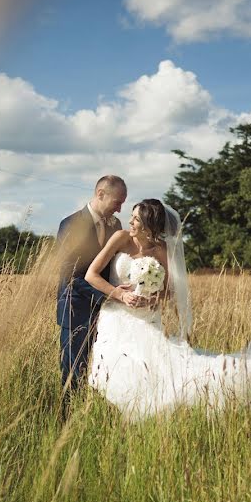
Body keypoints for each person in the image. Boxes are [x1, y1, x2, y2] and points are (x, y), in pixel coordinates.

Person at [85, 199, 251, 420]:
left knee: (163, 366)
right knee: (113, 365)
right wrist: (120, 294)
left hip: (147, 317)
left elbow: (168, 292)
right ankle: (112, 413)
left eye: (136, 218)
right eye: (132, 216)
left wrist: (150, 299)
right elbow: (91, 275)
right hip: (116, 315)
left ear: (150, 225)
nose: (130, 221)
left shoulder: (162, 250)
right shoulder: (120, 239)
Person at [56, 175, 142, 412]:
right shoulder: (71, 224)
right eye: (117, 201)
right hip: (76, 310)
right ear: (101, 194)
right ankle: (67, 421)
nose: (120, 208)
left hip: (109, 313)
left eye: (124, 203)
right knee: (74, 369)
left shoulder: (115, 226)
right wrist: (109, 295)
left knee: (103, 368)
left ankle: (94, 415)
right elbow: (69, 274)